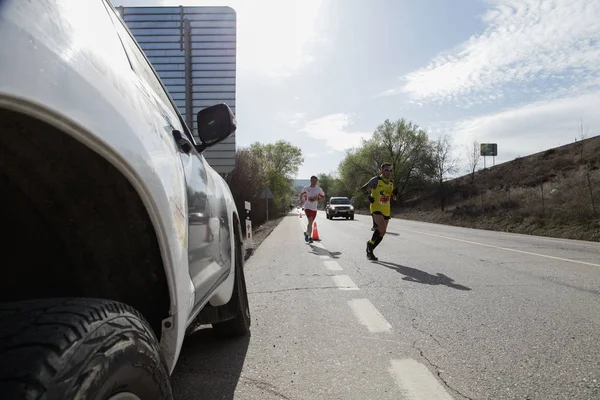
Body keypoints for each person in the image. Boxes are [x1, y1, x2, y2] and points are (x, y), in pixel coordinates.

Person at [361, 162, 398, 260]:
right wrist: (369, 196)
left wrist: (394, 195)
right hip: (376, 207)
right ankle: (370, 247)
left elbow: (394, 197)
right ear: (381, 171)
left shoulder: (391, 182)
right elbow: (364, 188)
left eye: (390, 170)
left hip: (386, 208)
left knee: (383, 232)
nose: (389, 172)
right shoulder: (376, 180)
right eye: (386, 170)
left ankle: (370, 247)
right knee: (381, 228)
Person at [299, 175, 325, 243]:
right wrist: (301, 201)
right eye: (313, 181)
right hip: (307, 207)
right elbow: (302, 195)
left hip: (314, 208)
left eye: (315, 181)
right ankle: (310, 238)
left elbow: (323, 197)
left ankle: (307, 234)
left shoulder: (318, 189)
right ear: (310, 181)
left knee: (310, 223)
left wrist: (317, 198)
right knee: (310, 221)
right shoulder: (306, 188)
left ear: (317, 182)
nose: (314, 182)